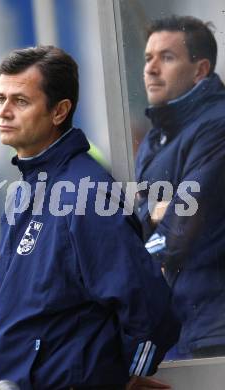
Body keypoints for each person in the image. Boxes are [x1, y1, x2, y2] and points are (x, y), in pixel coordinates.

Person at [0, 45, 180, 390]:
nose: (4, 112)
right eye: (0, 99)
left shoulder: (84, 195)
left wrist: (130, 376)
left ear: (59, 111)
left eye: (20, 101)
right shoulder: (26, 190)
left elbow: (148, 308)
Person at [136, 15, 225, 359]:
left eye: (167, 58)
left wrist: (161, 214)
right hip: (178, 323)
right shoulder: (159, 133)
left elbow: (178, 227)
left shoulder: (216, 125)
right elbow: (146, 217)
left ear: (200, 70)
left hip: (212, 330)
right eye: (148, 58)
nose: (152, 69)